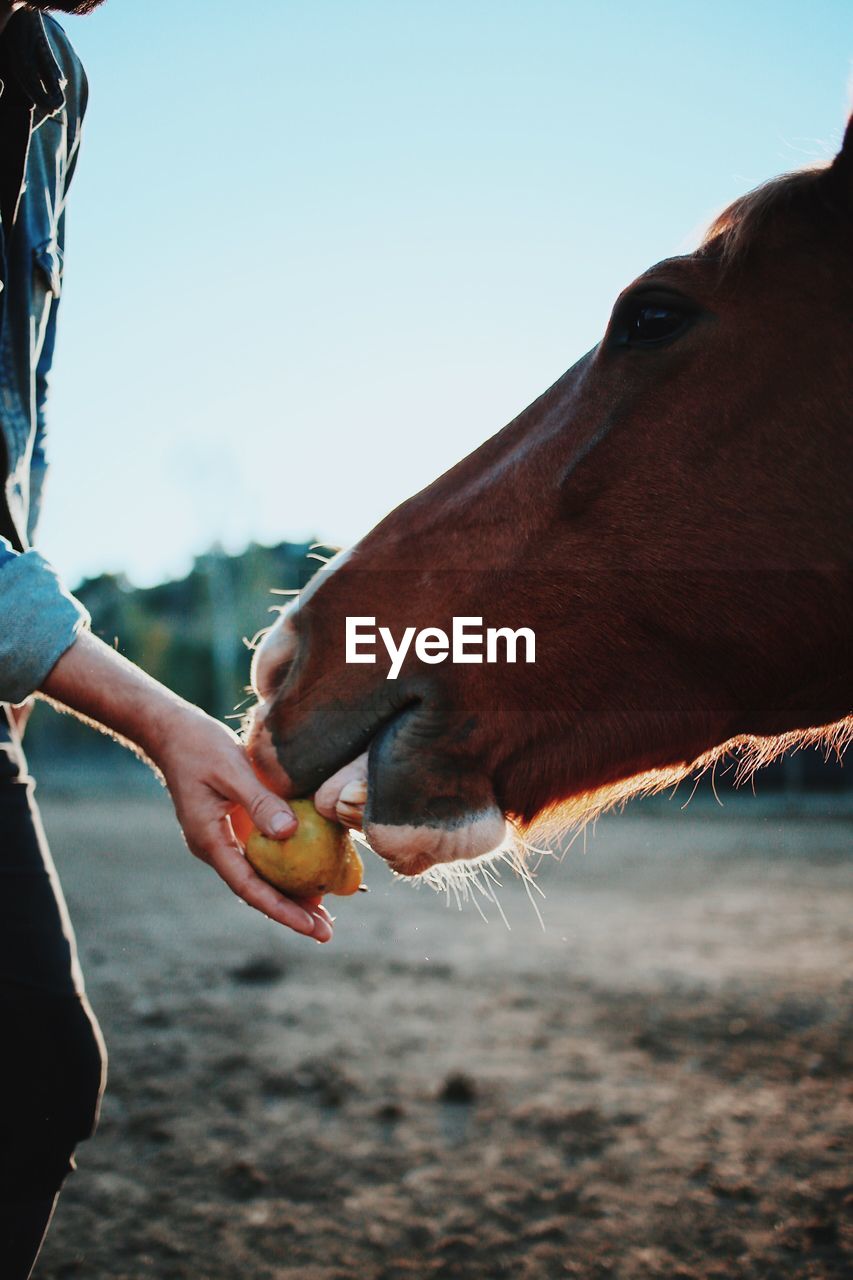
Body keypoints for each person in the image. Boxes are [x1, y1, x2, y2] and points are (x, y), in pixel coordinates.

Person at [0, 4, 333, 1274]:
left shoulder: (52, 85)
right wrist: (155, 714)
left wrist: (22, 642)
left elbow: (18, 416)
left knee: (30, 1058)